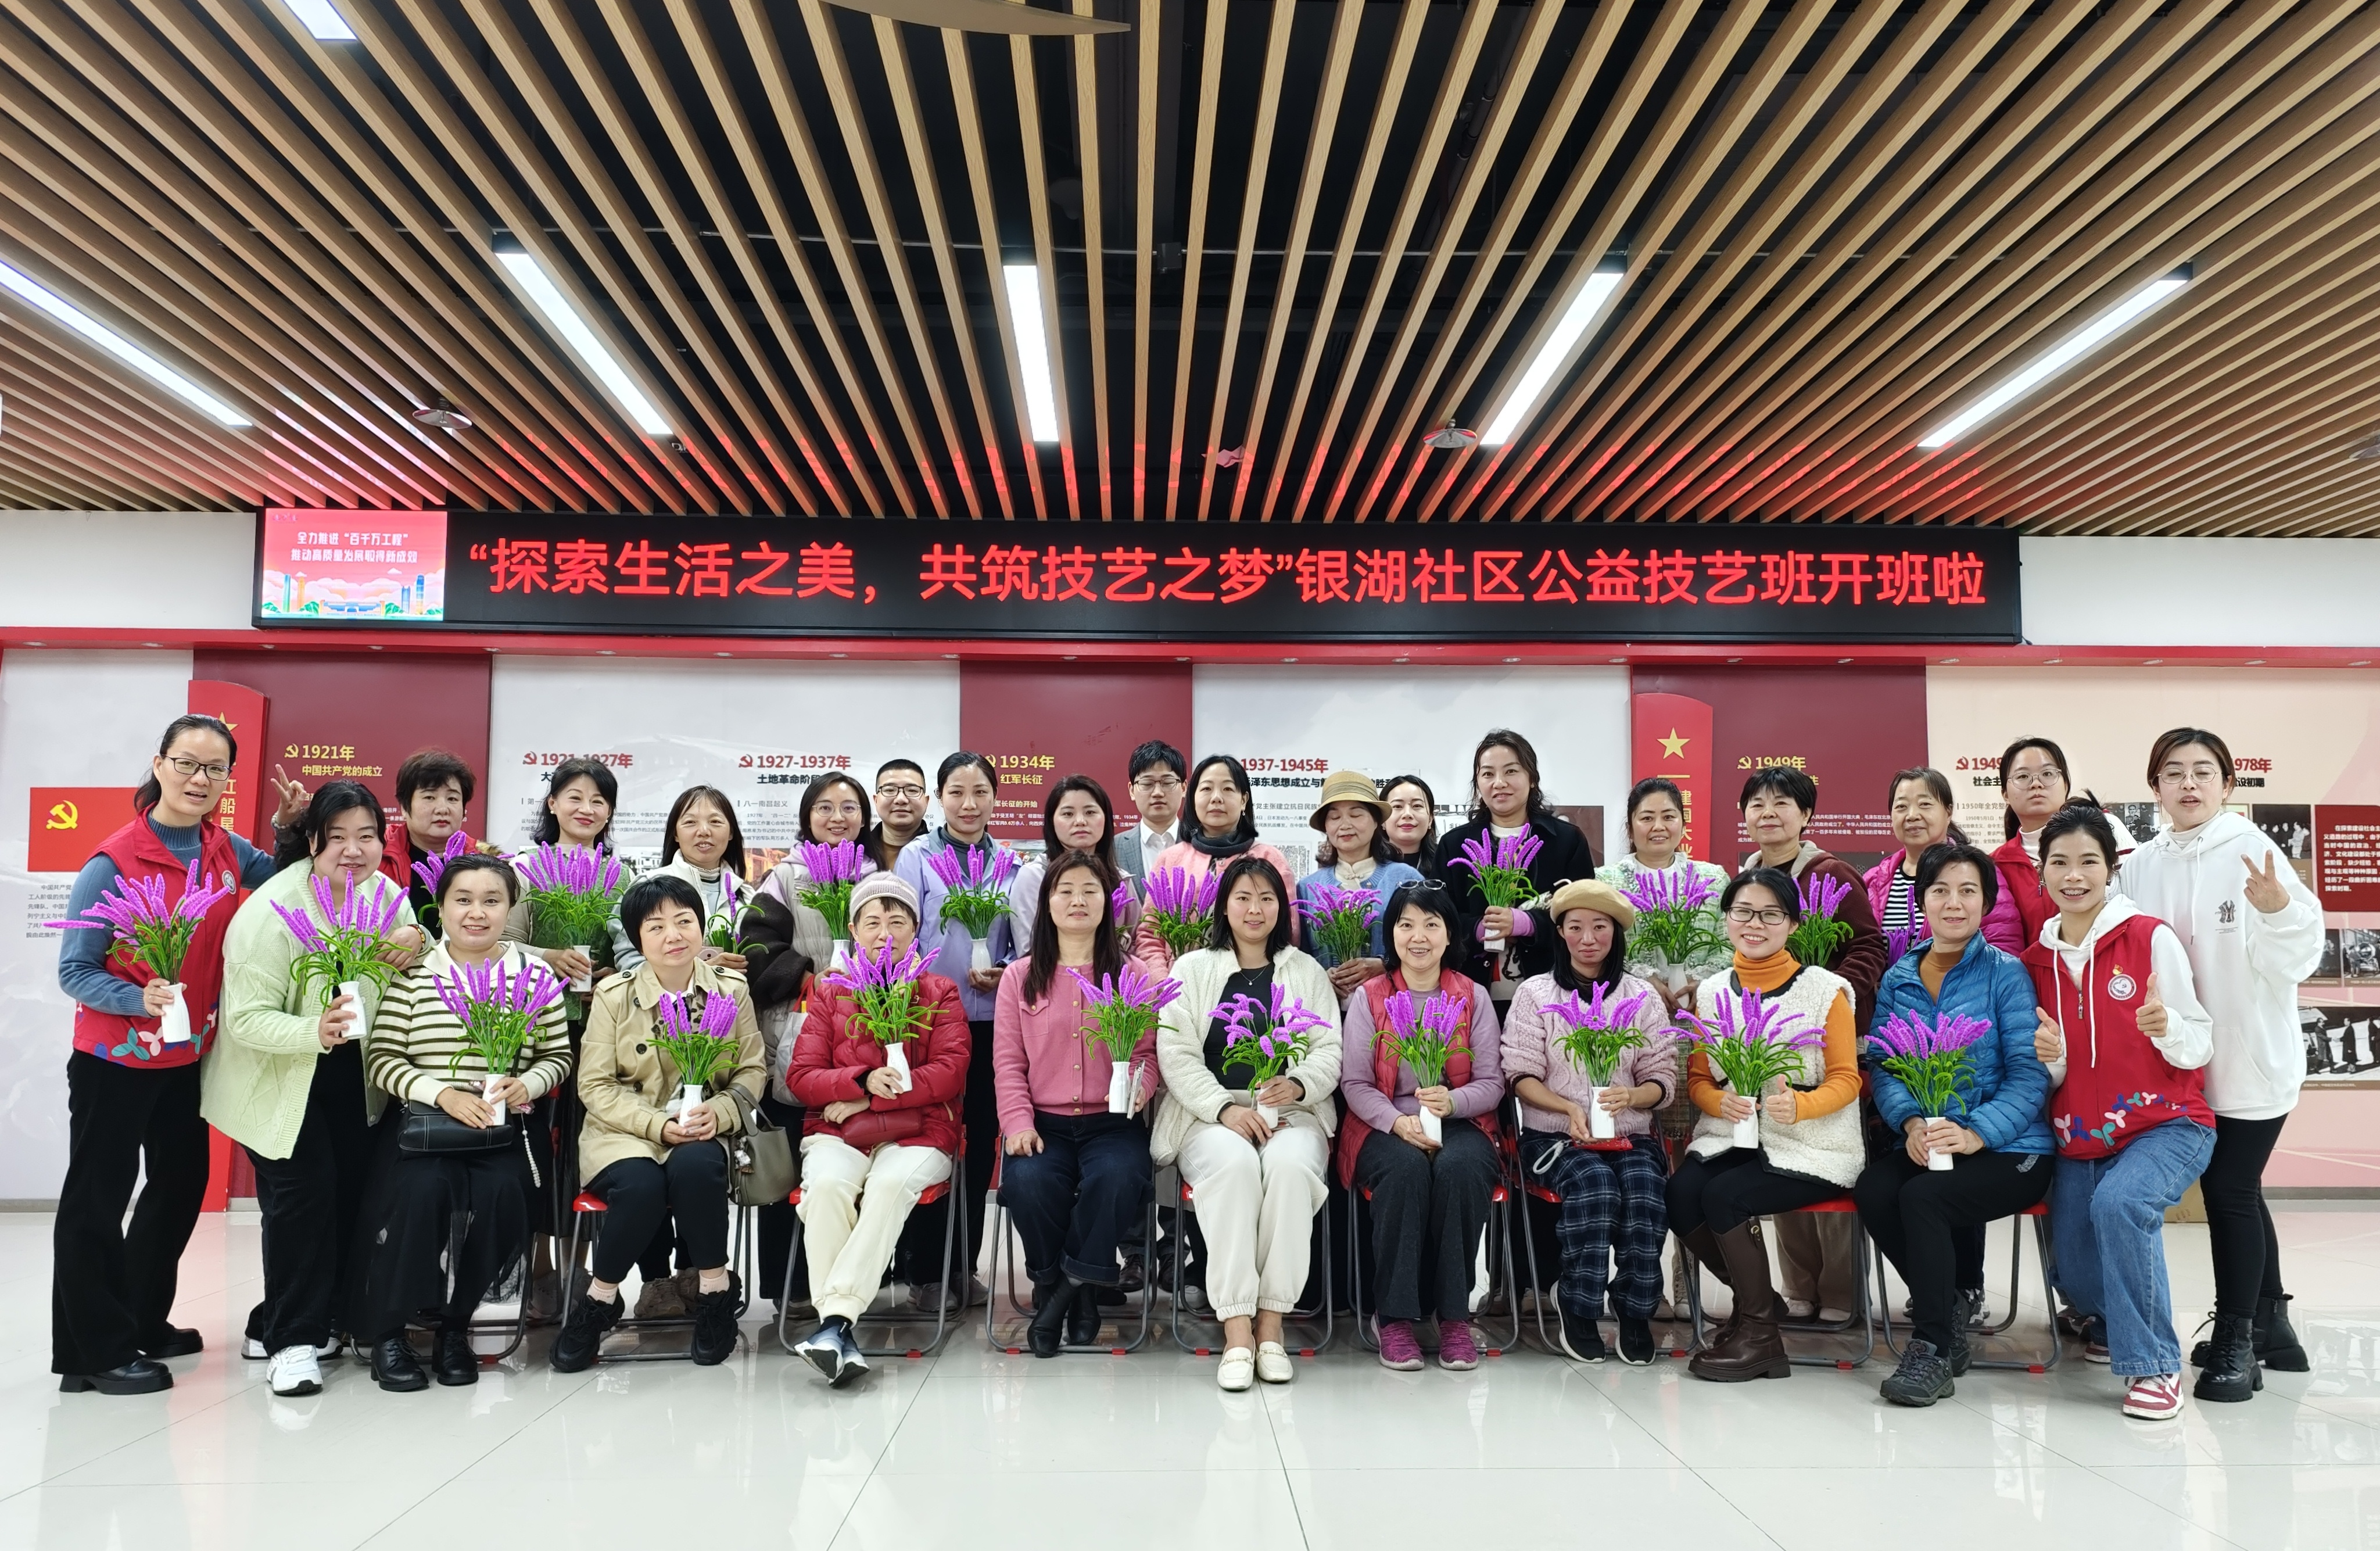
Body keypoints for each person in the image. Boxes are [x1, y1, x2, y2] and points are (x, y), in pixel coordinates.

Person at [51, 714, 291, 1396]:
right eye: (187, 763)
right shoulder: (113, 862)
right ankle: (91, 1353)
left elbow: (285, 882)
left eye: (215, 768)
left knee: (180, 1186)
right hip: (114, 1061)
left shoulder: (225, 848)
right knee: (97, 1199)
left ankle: (139, 1318)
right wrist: (139, 997)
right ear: (159, 765)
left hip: (186, 1058)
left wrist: (291, 828)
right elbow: (75, 969)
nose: (199, 778)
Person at [2120, 730, 2323, 1400]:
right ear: (2155, 785)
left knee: (2229, 1188)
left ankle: (2237, 1340)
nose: (2188, 783)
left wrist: (2279, 912)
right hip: (2181, 1061)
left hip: (2249, 1059)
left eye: (2203, 771)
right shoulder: (2141, 864)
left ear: (2227, 784)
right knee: (2240, 1187)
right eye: (2173, 772)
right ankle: (2272, 1326)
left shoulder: (2251, 850)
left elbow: (2299, 956)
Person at [208, 781, 425, 1396]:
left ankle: (316, 1319)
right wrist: (314, 1029)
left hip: (356, 1080)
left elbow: (415, 967)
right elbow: (245, 1018)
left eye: (367, 837)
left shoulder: (386, 896)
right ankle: (292, 1343)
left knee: (350, 1197)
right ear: (311, 842)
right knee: (303, 1199)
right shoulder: (272, 911)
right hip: (279, 1079)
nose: (354, 851)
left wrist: (419, 939)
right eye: (338, 838)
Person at [2023, 804, 2216, 1420]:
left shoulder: (2149, 937)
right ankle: (2111, 1319)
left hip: (2168, 1122)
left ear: (2111, 868)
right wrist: (2051, 1058)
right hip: (2081, 1133)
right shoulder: (2035, 962)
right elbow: (2053, 1072)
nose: (2073, 875)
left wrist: (2167, 1027)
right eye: (2059, 862)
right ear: (2042, 870)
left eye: (2088, 861)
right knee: (2078, 1275)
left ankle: (2154, 1363)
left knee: (2121, 1204)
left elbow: (2200, 1041)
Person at [353, 854, 571, 1391]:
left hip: (502, 1129)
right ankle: (390, 1333)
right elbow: (383, 1059)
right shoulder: (413, 973)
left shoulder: (534, 975)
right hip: (426, 1127)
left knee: (506, 1196)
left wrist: (528, 1084)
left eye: (492, 901)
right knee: (422, 1192)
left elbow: (557, 1055)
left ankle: (455, 1325)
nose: (477, 912)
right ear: (441, 907)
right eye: (463, 900)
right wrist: (443, 1094)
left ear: (509, 908)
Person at [1855, 843, 2053, 1407]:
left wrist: (1976, 1133)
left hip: (2012, 1146)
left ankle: (1933, 1346)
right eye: (1940, 890)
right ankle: (1950, 1306)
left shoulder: (2006, 974)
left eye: (1968, 891)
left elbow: (2029, 1075)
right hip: (1932, 1136)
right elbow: (1886, 1065)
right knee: (1875, 1188)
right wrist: (1911, 1121)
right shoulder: (1899, 975)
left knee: (1924, 1198)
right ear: (1923, 901)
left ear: (1986, 903)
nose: (1954, 902)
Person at [552, 874, 766, 1371]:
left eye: (684, 921)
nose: (673, 935)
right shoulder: (614, 995)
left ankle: (714, 1293)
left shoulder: (731, 990)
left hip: (702, 1126)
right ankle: (601, 1300)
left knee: (697, 1169)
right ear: (637, 938)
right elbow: (595, 1085)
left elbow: (753, 1070)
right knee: (642, 1185)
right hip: (624, 1132)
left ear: (701, 926)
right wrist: (655, 1124)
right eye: (656, 926)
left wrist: (721, 1111)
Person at [1151, 855, 1342, 1391]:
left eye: (1266, 898)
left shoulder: (1306, 970)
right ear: (1224, 907)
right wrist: (1225, 1108)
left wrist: (1297, 1084)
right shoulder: (1192, 968)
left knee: (1289, 1168)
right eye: (1243, 897)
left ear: (1281, 907)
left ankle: (1272, 1325)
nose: (1254, 908)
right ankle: (1237, 1328)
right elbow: (1176, 1054)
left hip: (1292, 1112)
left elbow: (1329, 1049)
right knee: (1234, 1167)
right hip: (1208, 1115)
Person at [1666, 868, 1862, 1384]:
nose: (1755, 924)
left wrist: (1803, 1106)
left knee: (1725, 1196)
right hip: (1732, 1135)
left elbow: (1847, 1078)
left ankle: (1760, 1336)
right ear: (1727, 918)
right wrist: (1720, 1100)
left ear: (1794, 923)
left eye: (1771, 914)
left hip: (1812, 1143)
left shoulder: (1826, 990)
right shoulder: (1712, 991)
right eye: (1743, 912)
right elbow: (1699, 1079)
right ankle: (1759, 1301)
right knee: (1680, 1194)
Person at [786, 872, 971, 1384]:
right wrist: (860, 1080)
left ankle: (834, 1324)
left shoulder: (939, 990)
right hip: (838, 1131)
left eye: (897, 921)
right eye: (872, 922)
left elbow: (951, 1071)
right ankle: (836, 1328)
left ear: (916, 929)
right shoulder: (829, 990)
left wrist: (867, 1096)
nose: (884, 933)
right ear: (852, 930)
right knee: (826, 1186)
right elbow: (802, 1076)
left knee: (890, 1184)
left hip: (921, 1130)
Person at [1501, 879, 1676, 1364]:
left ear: (1616, 932)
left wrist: (1632, 1096)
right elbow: (1520, 1074)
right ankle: (1577, 1302)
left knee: (1644, 1190)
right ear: (1559, 932)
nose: (1588, 938)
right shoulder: (1535, 993)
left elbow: (1662, 1078)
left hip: (1629, 1134)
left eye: (1600, 927)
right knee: (1595, 1186)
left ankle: (1635, 1309)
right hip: (1555, 1136)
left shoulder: (1642, 996)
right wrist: (1567, 1108)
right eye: (1575, 927)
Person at [994, 850, 1160, 1356]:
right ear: (1047, 902)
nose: (1078, 900)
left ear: (1108, 903)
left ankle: (1063, 1293)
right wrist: (1018, 1123)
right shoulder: (1019, 977)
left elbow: (1148, 1054)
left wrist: (1141, 1087)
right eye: (1065, 890)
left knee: (1118, 1176)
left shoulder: (1132, 974)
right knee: (1028, 1181)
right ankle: (1068, 1285)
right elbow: (1008, 1063)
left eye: (1090, 890)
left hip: (1112, 1122)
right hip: (1042, 1122)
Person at [1737, 764, 1884, 1324]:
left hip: (1827, 1040)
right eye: (1757, 803)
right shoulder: (1746, 876)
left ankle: (1842, 1291)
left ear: (1806, 815)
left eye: (1782, 803)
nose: (1768, 813)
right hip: (1770, 1043)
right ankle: (1799, 1285)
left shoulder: (1831, 873)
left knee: (1828, 1158)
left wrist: (1828, 997)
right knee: (1779, 1158)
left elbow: (1869, 945)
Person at [1338, 881, 1504, 1371]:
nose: (1419, 936)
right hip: (1383, 1124)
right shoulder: (1370, 997)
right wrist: (1397, 1121)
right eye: (1406, 924)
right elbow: (1355, 1083)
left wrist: (1453, 1101)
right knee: (1405, 1170)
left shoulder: (1472, 996)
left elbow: (1492, 1082)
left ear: (1450, 934)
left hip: (1460, 1119)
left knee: (1461, 1168)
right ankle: (1394, 1318)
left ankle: (1454, 1317)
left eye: (1432, 924)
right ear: (1391, 934)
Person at [894, 752, 1028, 1309]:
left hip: (995, 1022)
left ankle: (963, 1265)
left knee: (980, 1143)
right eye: (956, 792)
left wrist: (1007, 969)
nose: (969, 804)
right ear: (939, 798)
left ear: (996, 798)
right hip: (931, 1023)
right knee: (931, 1139)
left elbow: (1022, 941)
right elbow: (901, 933)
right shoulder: (916, 856)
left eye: (980, 792)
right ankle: (926, 1271)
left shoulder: (1013, 864)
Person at [748, 771, 875, 1310]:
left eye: (849, 807)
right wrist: (808, 975)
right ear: (807, 817)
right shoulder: (785, 876)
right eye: (824, 807)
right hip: (796, 1035)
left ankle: (848, 1284)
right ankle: (788, 1286)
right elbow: (755, 947)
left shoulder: (876, 876)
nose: (837, 817)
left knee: (850, 1160)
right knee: (789, 1162)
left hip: (864, 1037)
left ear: (864, 818)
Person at [1438, 730, 1597, 995]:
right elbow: (1439, 919)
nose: (1499, 783)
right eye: (1488, 774)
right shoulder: (1455, 845)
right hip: (1471, 994)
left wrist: (1528, 923)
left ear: (1532, 779)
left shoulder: (1566, 841)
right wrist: (1478, 928)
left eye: (1511, 771)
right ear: (1478, 783)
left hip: (1553, 991)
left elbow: (1587, 914)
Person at [1989, 738, 2139, 955]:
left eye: (2048, 774)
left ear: (2066, 785)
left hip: (2109, 966)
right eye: (2022, 777)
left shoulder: (2106, 829)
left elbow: (2136, 903)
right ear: (2005, 794)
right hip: (2034, 972)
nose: (2036, 784)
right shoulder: (1996, 864)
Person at [1597, 776, 1732, 1006]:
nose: (1658, 826)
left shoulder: (1713, 879)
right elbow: (1599, 944)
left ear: (1683, 826)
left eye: (1668, 817)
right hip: (1631, 1004)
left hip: (1701, 1004)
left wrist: (1702, 980)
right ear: (1630, 830)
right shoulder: (1605, 882)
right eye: (1647, 818)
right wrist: (1643, 979)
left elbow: (1729, 943)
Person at [1296, 771, 1425, 1004]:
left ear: (1376, 822)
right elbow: (1298, 956)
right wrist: (1319, 976)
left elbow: (1428, 943)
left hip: (1392, 1010)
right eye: (1334, 817)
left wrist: (1386, 964)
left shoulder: (1406, 879)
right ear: (1326, 826)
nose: (1345, 825)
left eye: (1356, 814)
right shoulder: (1307, 889)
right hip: (1326, 1011)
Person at [613, 785, 751, 979]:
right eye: (690, 822)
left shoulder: (749, 897)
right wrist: (697, 973)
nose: (704, 831)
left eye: (715, 821)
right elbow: (630, 961)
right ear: (675, 834)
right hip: (663, 998)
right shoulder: (647, 886)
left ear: (731, 833)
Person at [1146, 753, 1295, 911]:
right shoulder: (1170, 859)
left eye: (1228, 789)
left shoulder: (1270, 858)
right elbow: (1150, 924)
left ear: (1243, 800)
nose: (1216, 798)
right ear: (1193, 798)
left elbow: (1289, 923)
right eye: (1207, 788)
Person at [1013, 775, 1135, 957]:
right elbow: (1028, 952)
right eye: (1068, 814)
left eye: (1090, 812)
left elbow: (1137, 944)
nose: (1080, 821)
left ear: (1106, 819)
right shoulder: (1034, 877)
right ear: (1051, 822)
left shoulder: (1121, 880)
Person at [381, 748, 485, 929]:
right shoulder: (376, 855)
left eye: (452, 799)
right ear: (404, 807)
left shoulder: (484, 862)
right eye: (430, 797)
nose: (442, 809)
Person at [1866, 768, 1965, 944]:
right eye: (1901, 807)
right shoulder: (1872, 881)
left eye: (1924, 804)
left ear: (1948, 813)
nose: (1912, 816)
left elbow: (2001, 943)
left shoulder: (1975, 873)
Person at [1115, 740, 1188, 882]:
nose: (1158, 793)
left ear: (1184, 788)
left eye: (1168, 783)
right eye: (1147, 784)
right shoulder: (1114, 848)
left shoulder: (1201, 843)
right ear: (1132, 791)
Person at [865, 759, 931, 874]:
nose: (901, 799)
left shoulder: (941, 851)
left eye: (912, 790)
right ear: (876, 800)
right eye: (890, 790)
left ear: (926, 801)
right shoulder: (858, 852)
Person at [1379, 774, 1444, 879]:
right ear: (1383, 820)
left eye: (1417, 806)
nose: (1407, 814)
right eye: (1397, 806)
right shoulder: (1367, 864)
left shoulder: (1446, 862)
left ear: (1430, 819)